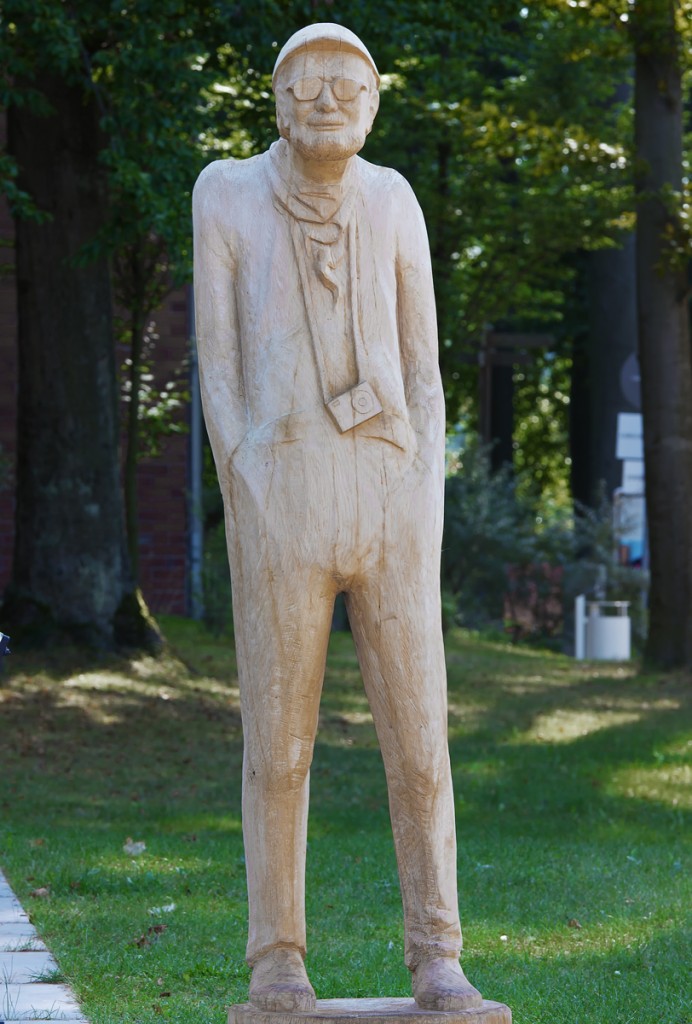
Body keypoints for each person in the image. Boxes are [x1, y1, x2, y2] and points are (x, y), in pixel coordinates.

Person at [193, 23, 482, 1015]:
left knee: (420, 740)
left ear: (374, 103)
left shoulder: (393, 199)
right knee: (277, 745)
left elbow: (426, 375)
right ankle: (276, 957)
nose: (326, 100)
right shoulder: (226, 194)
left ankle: (437, 954)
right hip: (282, 504)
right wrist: (249, 489)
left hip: (390, 505)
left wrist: (419, 499)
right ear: (275, 101)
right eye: (306, 84)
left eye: (348, 85)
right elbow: (219, 372)